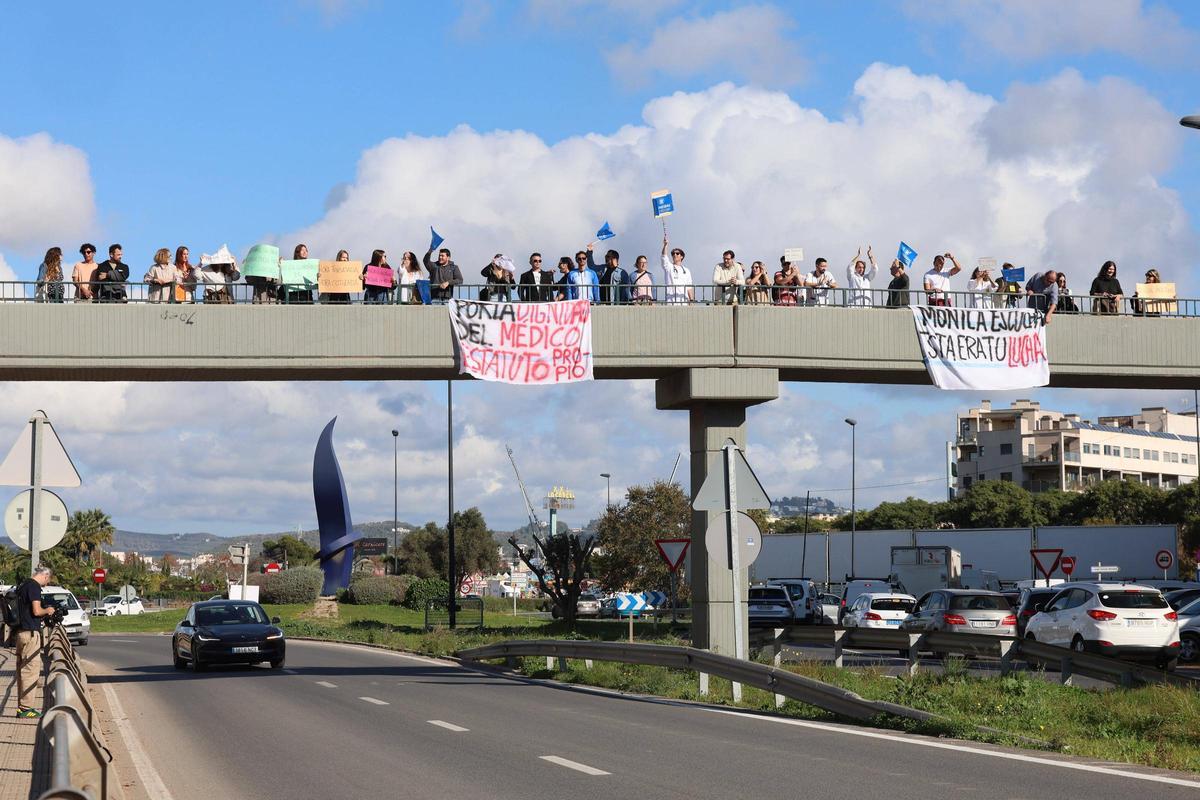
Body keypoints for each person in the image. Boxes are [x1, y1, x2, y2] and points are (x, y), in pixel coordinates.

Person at [15, 566, 58, 718]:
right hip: (30, 633)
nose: (47, 583)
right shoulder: (34, 587)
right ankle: (26, 709)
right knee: (30, 671)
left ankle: (22, 707)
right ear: (45, 576)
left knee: (22, 671)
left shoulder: (23, 585)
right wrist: (49, 610)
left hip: (20, 633)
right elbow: (36, 611)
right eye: (48, 580)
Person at [660, 234, 695, 304]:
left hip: (684, 301)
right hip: (671, 301)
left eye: (677, 253)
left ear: (681, 256)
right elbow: (664, 256)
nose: (674, 255)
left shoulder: (686, 270)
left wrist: (691, 301)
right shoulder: (668, 267)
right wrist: (665, 245)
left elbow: (689, 287)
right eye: (673, 253)